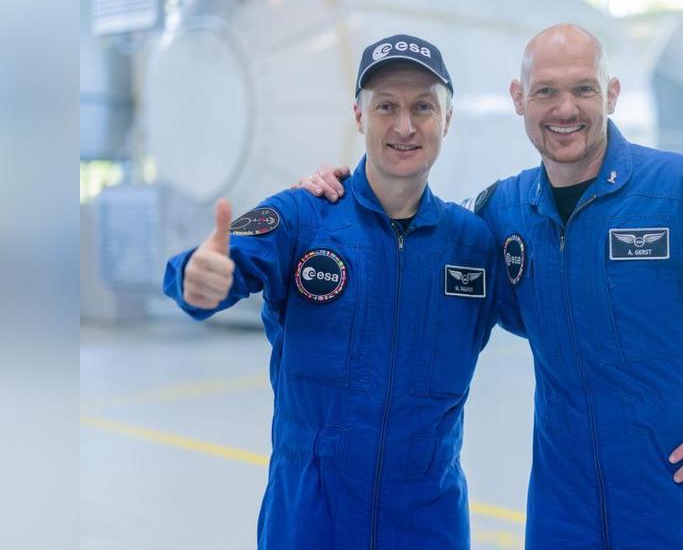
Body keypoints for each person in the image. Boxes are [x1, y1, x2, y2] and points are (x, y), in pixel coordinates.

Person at [300, 23, 683, 549]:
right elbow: (418, 241)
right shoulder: (501, 210)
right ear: (519, 99)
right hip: (563, 514)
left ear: (611, 94)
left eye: (583, 89)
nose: (564, 110)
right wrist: (337, 195)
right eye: (546, 91)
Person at [163, 34, 507, 550]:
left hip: (427, 518)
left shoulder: (474, 244)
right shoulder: (303, 215)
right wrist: (195, 276)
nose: (405, 126)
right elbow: (218, 264)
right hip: (310, 515)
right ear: (358, 115)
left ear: (448, 120)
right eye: (385, 106)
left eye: (423, 107)